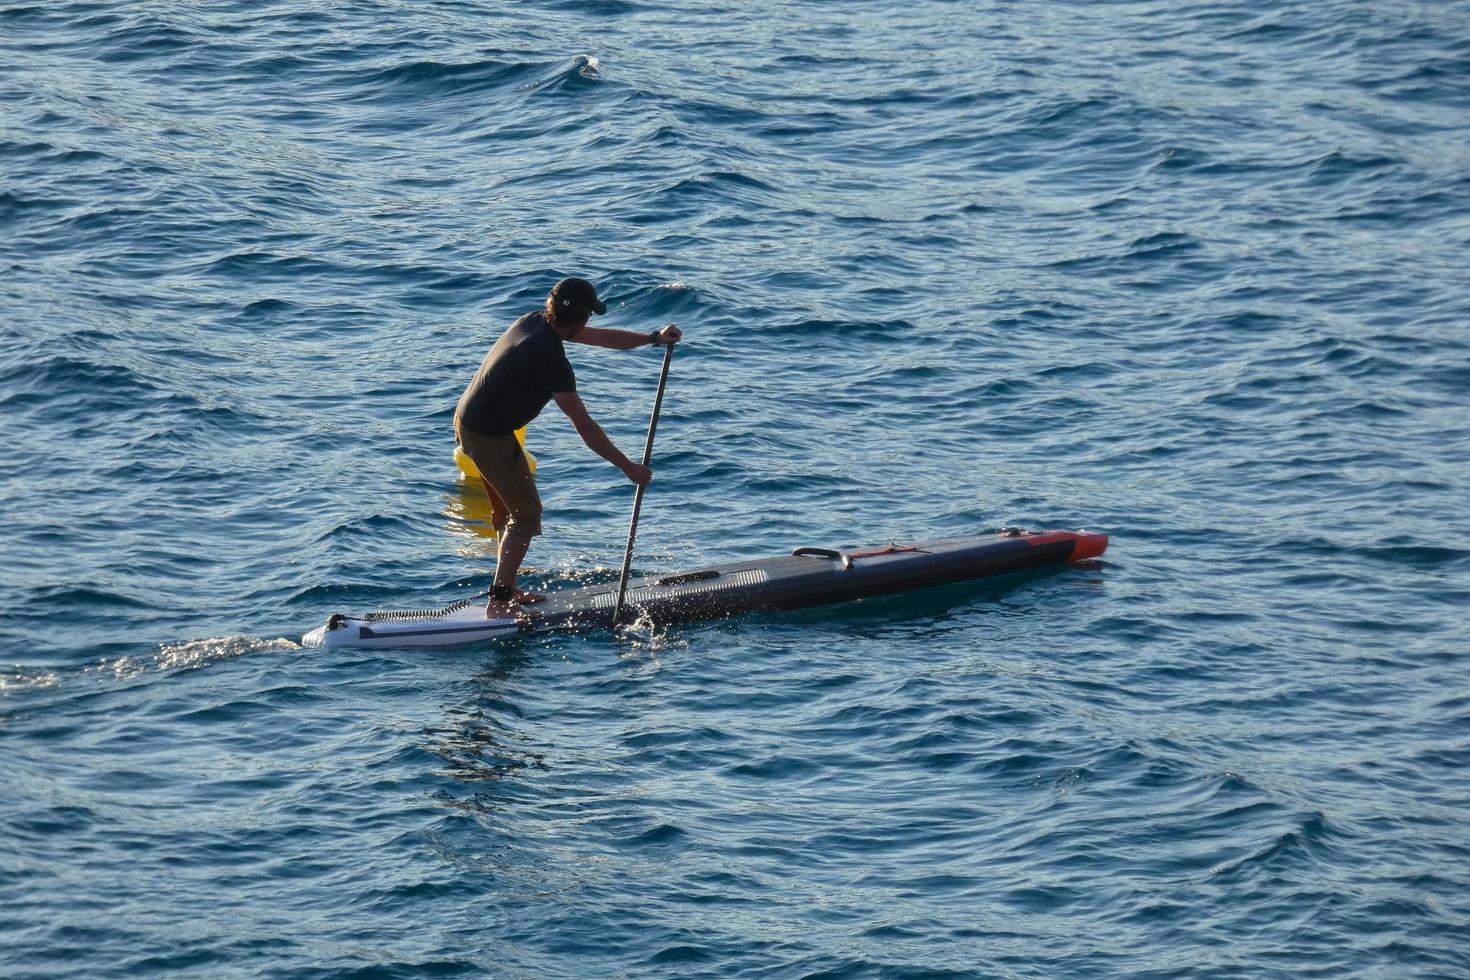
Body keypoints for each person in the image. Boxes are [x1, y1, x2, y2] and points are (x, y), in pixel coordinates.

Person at [454, 277, 682, 619]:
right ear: (582, 317)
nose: (592, 324)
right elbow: (584, 426)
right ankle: (499, 602)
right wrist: (627, 467)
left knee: (507, 511)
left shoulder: (534, 321)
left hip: (471, 420)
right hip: (487, 434)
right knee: (526, 514)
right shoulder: (550, 358)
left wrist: (652, 339)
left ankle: (506, 588)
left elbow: (603, 339)